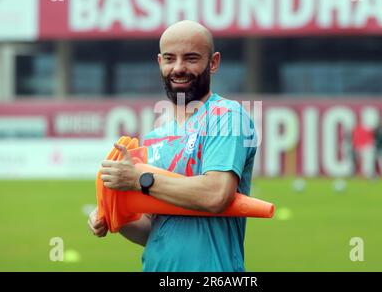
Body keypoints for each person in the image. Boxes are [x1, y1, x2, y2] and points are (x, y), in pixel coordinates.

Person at [87, 20, 257, 272]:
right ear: (160, 63)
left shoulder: (227, 116)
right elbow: (154, 230)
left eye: (190, 58)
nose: (178, 68)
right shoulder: (155, 137)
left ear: (213, 62)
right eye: (169, 58)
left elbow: (216, 195)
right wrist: (115, 216)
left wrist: (140, 179)